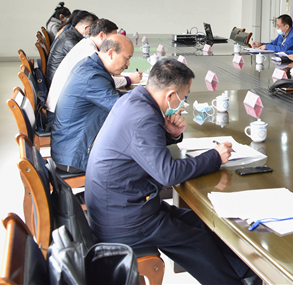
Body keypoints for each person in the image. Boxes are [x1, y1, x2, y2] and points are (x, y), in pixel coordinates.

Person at [84, 58, 258, 285]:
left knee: (199, 221)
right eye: (184, 97)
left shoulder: (134, 100)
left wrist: (171, 134)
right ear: (170, 95)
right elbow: (167, 174)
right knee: (197, 242)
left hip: (123, 203)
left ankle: (246, 273)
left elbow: (141, 148)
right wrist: (214, 157)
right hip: (125, 220)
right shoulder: (144, 117)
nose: (183, 103)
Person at [50, 34, 133, 173]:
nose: (128, 64)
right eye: (127, 58)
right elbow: (122, 109)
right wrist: (154, 102)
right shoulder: (93, 77)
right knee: (138, 163)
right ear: (111, 53)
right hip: (75, 157)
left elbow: (114, 97)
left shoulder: (91, 65)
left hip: (69, 148)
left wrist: (143, 96)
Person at [46, 19, 142, 119]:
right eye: (112, 37)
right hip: (59, 115)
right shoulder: (89, 56)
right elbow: (115, 101)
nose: (128, 64)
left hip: (65, 113)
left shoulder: (87, 49)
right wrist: (128, 80)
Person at [46, 10, 98, 85]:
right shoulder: (69, 39)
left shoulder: (70, 34)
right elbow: (85, 61)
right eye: (92, 30)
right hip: (57, 82)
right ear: (86, 27)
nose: (92, 33)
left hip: (60, 77)